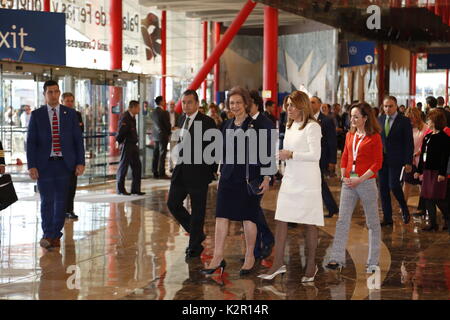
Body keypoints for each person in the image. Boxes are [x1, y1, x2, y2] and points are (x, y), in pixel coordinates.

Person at [201, 87, 273, 276]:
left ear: (246, 104)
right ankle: (217, 257)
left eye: (238, 102)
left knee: (248, 217)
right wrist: (219, 170)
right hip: (228, 177)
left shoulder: (255, 126)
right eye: (232, 103)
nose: (235, 106)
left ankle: (250, 256)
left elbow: (266, 151)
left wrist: (267, 176)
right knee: (221, 216)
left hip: (249, 177)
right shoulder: (226, 125)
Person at [258, 90, 323, 282]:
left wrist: (291, 154)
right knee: (281, 219)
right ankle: (278, 263)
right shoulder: (290, 125)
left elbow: (315, 155)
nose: (289, 109)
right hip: (291, 178)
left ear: (302, 105)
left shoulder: (312, 126)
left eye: (292, 105)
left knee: (310, 222)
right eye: (287, 105)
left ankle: (311, 265)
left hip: (308, 180)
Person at [27, 80, 85, 249]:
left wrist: (80, 162)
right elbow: (31, 142)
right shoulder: (37, 115)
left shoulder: (70, 114)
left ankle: (55, 235)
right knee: (47, 201)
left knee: (61, 202)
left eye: (56, 91)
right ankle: (47, 234)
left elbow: (77, 141)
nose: (53, 95)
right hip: (44, 165)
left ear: (59, 93)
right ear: (44, 95)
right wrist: (32, 165)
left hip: (64, 165)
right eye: (50, 92)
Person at [325, 103, 383, 273]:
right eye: (351, 116)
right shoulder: (350, 135)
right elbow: (345, 157)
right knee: (342, 220)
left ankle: (373, 262)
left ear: (365, 118)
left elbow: (377, 163)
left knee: (372, 223)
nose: (352, 119)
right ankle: (336, 258)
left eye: (356, 116)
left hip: (366, 183)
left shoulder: (375, 137)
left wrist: (361, 179)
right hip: (349, 183)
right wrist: (344, 175)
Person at [167, 90, 217, 259]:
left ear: (197, 104)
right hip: (181, 172)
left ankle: (194, 246)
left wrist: (210, 172)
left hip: (198, 173)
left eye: (189, 102)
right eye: (184, 102)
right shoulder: (182, 119)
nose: (186, 105)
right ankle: (197, 234)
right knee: (172, 203)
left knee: (198, 211)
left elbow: (215, 148)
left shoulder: (207, 122)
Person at [378, 96, 414, 226]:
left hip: (397, 159)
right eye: (385, 106)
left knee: (394, 185)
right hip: (381, 160)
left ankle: (404, 207)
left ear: (396, 106)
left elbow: (409, 143)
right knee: (382, 189)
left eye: (390, 106)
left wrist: (408, 162)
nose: (388, 109)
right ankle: (387, 218)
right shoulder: (380, 119)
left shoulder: (404, 121)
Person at [248, 90, 275, 260]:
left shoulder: (265, 122)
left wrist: (267, 176)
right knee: (250, 210)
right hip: (247, 173)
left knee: (252, 209)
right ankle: (257, 248)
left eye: (247, 102)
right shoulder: (246, 121)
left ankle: (266, 239)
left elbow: (269, 151)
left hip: (259, 173)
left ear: (256, 104)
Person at [415, 109, 450, 231]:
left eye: (429, 119)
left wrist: (442, 173)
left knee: (438, 198)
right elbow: (423, 155)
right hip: (427, 171)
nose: (427, 121)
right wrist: (419, 171)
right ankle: (432, 223)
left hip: (437, 172)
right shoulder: (428, 137)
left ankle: (447, 218)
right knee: (428, 197)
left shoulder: (444, 138)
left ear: (435, 121)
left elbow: (444, 157)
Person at [310, 96, 339, 218]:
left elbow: (332, 141)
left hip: (322, 157)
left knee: (319, 182)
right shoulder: (307, 119)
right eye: (309, 102)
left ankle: (332, 207)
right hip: (310, 157)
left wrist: (332, 161)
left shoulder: (326, 120)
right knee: (317, 183)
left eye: (313, 102)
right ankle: (331, 208)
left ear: (319, 104)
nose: (311, 104)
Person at [61, 92, 85, 220]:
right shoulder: (58, 114)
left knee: (71, 185)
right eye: (67, 101)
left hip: (73, 155)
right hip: (60, 156)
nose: (70, 103)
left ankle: (69, 209)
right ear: (62, 101)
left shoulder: (77, 115)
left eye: (71, 101)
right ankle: (61, 209)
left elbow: (81, 131)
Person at [116, 100, 145, 196]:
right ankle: (120, 189)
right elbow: (121, 132)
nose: (139, 109)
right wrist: (119, 142)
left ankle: (135, 189)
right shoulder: (125, 117)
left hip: (133, 144)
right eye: (138, 107)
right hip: (127, 144)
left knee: (137, 166)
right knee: (123, 167)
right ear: (132, 107)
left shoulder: (133, 117)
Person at [403, 107, 428, 217]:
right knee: (406, 182)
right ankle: (403, 206)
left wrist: (418, 153)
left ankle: (422, 207)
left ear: (418, 117)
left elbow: (426, 143)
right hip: (409, 160)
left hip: (421, 160)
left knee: (421, 184)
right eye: (409, 119)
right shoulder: (406, 128)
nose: (411, 121)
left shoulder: (425, 128)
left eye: (413, 118)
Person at [151, 96, 171, 179]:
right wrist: (168, 132)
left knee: (156, 154)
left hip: (155, 136)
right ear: (161, 102)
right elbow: (167, 124)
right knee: (162, 154)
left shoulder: (153, 112)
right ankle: (161, 173)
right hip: (163, 135)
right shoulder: (164, 112)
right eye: (164, 101)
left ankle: (155, 172)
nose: (165, 102)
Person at [168, 100, 181, 172]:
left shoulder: (177, 114)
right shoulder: (165, 114)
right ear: (168, 105)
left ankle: (174, 167)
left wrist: (176, 127)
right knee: (170, 151)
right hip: (167, 133)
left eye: (173, 104)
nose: (172, 106)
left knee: (174, 151)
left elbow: (179, 124)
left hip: (175, 134)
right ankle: (170, 166)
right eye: (170, 104)